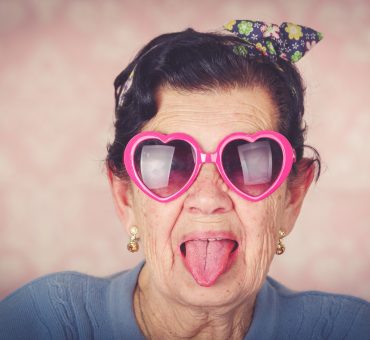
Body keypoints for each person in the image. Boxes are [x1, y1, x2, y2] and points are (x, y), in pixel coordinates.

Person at [1, 19, 370, 340]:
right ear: (125, 198)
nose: (208, 197)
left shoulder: (351, 330)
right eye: (172, 163)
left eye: (247, 162)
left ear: (292, 198)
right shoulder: (42, 322)